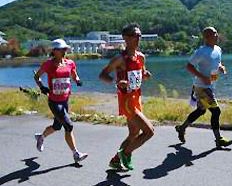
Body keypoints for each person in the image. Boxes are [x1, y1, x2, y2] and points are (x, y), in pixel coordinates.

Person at [99, 22, 154, 171]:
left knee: (133, 134)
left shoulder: (141, 57)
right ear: (126, 38)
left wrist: (145, 75)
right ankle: (126, 154)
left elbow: (141, 73)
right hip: (127, 102)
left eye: (139, 36)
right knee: (149, 132)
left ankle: (116, 160)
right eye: (135, 36)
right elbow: (102, 75)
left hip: (137, 99)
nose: (138, 38)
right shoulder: (120, 59)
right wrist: (117, 81)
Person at [175, 26, 232, 148]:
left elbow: (217, 62)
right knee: (216, 111)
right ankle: (219, 139)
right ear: (206, 37)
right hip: (201, 87)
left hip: (210, 86)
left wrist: (221, 67)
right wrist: (202, 78)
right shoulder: (201, 51)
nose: (217, 35)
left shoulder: (218, 49)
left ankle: (182, 128)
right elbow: (189, 67)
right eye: (214, 33)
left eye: (217, 33)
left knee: (201, 111)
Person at [34, 39, 88, 163]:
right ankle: (76, 154)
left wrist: (78, 80)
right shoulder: (48, 64)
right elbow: (37, 76)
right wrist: (42, 87)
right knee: (69, 126)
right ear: (54, 51)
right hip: (54, 101)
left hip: (65, 100)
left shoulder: (69, 63)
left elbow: (74, 74)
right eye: (61, 49)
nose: (64, 51)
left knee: (56, 127)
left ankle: (40, 137)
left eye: (65, 49)